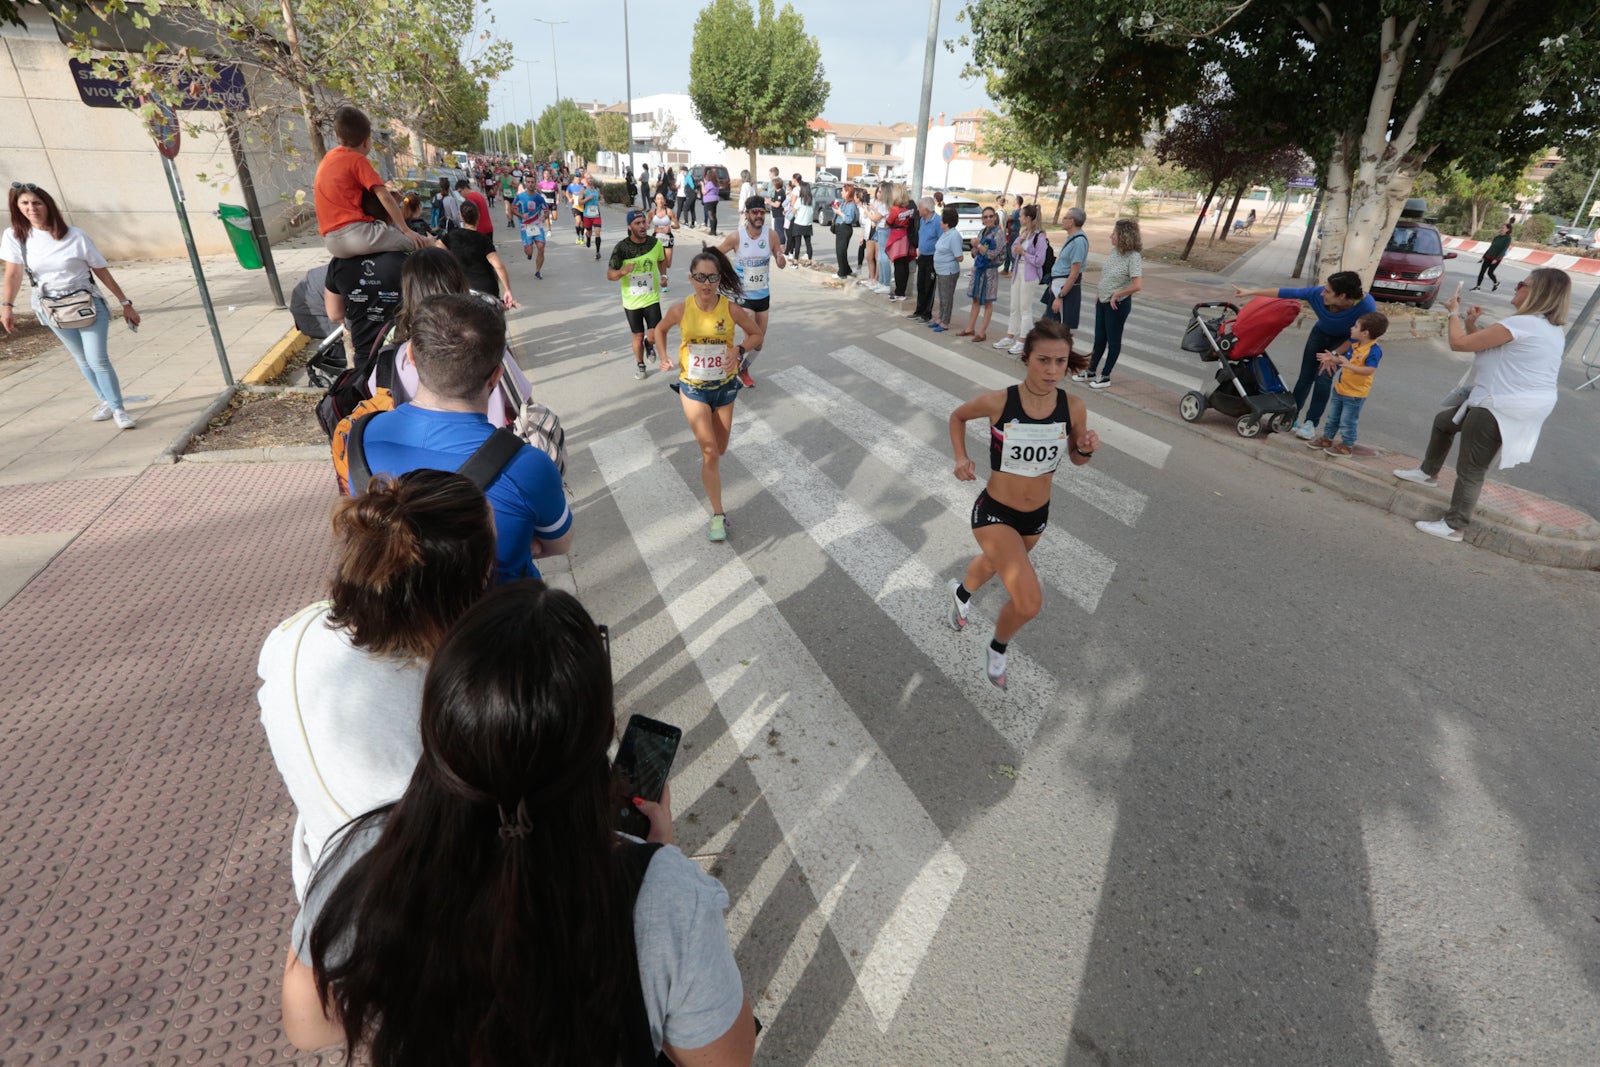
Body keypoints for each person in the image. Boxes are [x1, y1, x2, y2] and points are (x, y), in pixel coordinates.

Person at [280, 579, 757, 1066]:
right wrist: (653, 860)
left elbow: (306, 1025)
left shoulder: (369, 850)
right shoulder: (668, 899)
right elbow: (726, 1061)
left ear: (438, 725)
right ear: (600, 737)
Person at [258, 469, 495, 903]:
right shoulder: (447, 694)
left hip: (323, 884)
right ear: (462, 589)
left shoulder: (292, 634)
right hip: (415, 908)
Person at [355, 293, 570, 581]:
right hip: (503, 607)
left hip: (396, 607)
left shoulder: (361, 436)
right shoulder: (527, 464)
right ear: (496, 376)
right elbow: (558, 544)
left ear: (411, 357)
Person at [946, 320, 1099, 691]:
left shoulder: (1073, 407)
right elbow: (958, 416)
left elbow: (1077, 459)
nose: (1052, 370)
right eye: (1043, 360)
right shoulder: (1000, 401)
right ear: (1026, 358)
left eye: (1060, 362)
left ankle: (961, 595)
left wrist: (1085, 449)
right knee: (1029, 603)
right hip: (995, 511)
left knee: (992, 564)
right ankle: (997, 648)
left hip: (1035, 517)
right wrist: (961, 458)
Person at [1394, 268, 1569, 543]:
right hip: (1513, 402)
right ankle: (1427, 472)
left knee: (1472, 468)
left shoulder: (1523, 324)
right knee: (1444, 423)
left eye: (1522, 284)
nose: (1516, 287)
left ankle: (1455, 525)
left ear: (1538, 292)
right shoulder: (1548, 328)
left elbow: (1458, 344)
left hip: (1499, 405)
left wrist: (1453, 313)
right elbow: (1485, 348)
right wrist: (1471, 323)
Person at [1, 181, 141, 428]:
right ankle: (106, 401)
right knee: (82, 359)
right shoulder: (15, 237)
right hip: (50, 307)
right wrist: (7, 306)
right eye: (25, 203)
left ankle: (119, 409)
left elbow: (101, 270)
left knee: (97, 359)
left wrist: (124, 302)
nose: (31, 208)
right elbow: (13, 274)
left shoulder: (75, 235)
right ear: (17, 206)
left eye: (37, 203)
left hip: (86, 302)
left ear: (48, 205)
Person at [649, 247, 764, 542]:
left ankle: (711, 467)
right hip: (693, 388)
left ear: (719, 279)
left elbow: (756, 334)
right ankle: (718, 515)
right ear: (691, 279)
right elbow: (659, 330)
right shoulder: (681, 309)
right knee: (710, 452)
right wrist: (663, 356)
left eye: (712, 277)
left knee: (720, 448)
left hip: (724, 388)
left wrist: (738, 349)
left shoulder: (731, 309)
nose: (706, 283)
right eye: (700, 277)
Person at [364, 248, 532, 428]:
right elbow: (524, 406)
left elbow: (378, 401)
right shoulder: (488, 344)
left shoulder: (394, 357)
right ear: (460, 284)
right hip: (491, 443)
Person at [1232, 271, 1377, 439]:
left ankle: (1310, 424)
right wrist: (1250, 292)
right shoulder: (1316, 294)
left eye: (1328, 291)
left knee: (1323, 378)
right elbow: (1285, 292)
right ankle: (1290, 417)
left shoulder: (1366, 306)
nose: (1322, 293)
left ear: (1342, 296)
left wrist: (1334, 355)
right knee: (1305, 377)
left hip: (1343, 342)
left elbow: (1358, 338)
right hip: (1319, 334)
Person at [313, 106, 428, 258]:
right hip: (356, 235)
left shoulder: (328, 159)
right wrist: (405, 229)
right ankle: (437, 246)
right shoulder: (357, 160)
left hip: (331, 242)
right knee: (416, 242)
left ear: (337, 136)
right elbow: (385, 197)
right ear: (367, 142)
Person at [716, 196, 785, 387]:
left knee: (758, 341)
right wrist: (721, 275)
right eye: (755, 212)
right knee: (750, 337)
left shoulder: (771, 235)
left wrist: (781, 259)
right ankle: (731, 364)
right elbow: (715, 254)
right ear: (747, 214)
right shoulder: (736, 237)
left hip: (763, 295)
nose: (759, 216)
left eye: (762, 212)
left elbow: (780, 259)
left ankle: (742, 367)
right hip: (743, 297)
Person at [1305, 311, 1388, 456]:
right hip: (1340, 389)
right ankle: (1327, 439)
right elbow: (1346, 362)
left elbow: (1369, 370)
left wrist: (1348, 365)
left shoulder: (1373, 351)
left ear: (1365, 333)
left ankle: (1347, 445)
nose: (1352, 328)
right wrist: (1334, 359)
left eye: (1355, 326)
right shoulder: (1355, 345)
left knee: (1348, 421)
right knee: (1333, 417)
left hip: (1355, 393)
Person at [1076, 219, 1145, 389]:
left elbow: (1137, 285)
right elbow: (1107, 276)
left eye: (1114, 233)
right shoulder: (1114, 251)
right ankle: (1091, 370)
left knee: (1113, 341)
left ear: (1124, 236)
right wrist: (1100, 293)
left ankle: (1105, 376)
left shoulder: (1134, 257)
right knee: (1099, 338)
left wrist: (1117, 294)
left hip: (1117, 305)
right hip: (1102, 300)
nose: (1110, 236)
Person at [607, 210, 669, 381]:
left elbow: (661, 260)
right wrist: (622, 272)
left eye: (643, 222)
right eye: (637, 223)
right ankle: (640, 364)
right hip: (632, 301)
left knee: (654, 335)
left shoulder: (655, 244)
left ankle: (649, 345)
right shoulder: (621, 248)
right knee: (638, 335)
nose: (642, 226)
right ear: (630, 227)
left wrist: (664, 275)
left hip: (651, 297)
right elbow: (610, 275)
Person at [325, 250, 407, 369]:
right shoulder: (405, 260)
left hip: (364, 353)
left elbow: (335, 314)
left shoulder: (339, 263)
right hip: (402, 351)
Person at [442, 201, 518, 309]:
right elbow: (498, 266)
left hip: (462, 289)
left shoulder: (452, 236)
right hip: (486, 289)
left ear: (462, 217)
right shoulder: (483, 239)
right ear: (478, 216)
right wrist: (508, 289)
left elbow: (436, 249)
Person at [996, 204, 1047, 355]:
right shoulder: (1025, 233)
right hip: (1018, 271)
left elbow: (1040, 260)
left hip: (1030, 274)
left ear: (1028, 218)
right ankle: (1010, 336)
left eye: (1021, 216)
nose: (1019, 218)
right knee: (1014, 306)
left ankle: (1023, 340)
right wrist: (1020, 241)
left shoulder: (1040, 236)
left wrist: (1024, 253)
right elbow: (1013, 250)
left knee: (1025, 308)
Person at [959, 205, 1003, 341]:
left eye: (991, 216)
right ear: (982, 219)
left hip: (989, 271)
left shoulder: (998, 233)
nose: (988, 219)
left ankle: (982, 332)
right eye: (985, 217)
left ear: (995, 217)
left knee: (988, 302)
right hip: (978, 270)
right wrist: (975, 248)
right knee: (975, 299)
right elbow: (974, 253)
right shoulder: (982, 232)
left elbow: (992, 254)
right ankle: (970, 328)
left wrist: (978, 245)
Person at [1045, 206, 1089, 339]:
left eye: (1065, 218)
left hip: (1063, 288)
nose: (1062, 220)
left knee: (1058, 331)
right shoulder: (1072, 238)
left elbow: (1074, 273)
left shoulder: (1079, 242)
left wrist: (1060, 296)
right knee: (1049, 328)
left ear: (1072, 221)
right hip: (1057, 285)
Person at [931, 205, 965, 333]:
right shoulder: (946, 233)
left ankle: (945, 322)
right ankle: (940, 318)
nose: (940, 222)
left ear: (947, 223)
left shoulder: (954, 236)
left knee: (947, 297)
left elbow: (959, 257)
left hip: (948, 271)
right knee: (942, 296)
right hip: (941, 271)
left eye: (942, 220)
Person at [908, 196, 940, 321]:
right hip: (922, 256)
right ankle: (919, 311)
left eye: (920, 207)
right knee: (920, 285)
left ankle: (926, 314)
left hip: (932, 258)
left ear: (926, 209)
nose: (918, 209)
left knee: (929, 286)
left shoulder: (938, 221)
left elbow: (941, 240)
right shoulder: (922, 220)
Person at [512, 180, 548, 278]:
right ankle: (529, 253)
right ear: (526, 183)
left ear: (535, 183)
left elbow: (546, 211)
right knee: (529, 251)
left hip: (537, 225)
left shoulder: (539, 198)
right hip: (525, 226)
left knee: (541, 247)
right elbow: (513, 208)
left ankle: (537, 271)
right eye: (528, 182)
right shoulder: (520, 197)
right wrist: (521, 215)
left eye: (532, 182)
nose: (530, 184)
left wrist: (544, 217)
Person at [648, 193, 678, 288]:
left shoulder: (669, 212)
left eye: (661, 199)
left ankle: (663, 275)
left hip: (667, 237)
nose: (660, 201)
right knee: (660, 259)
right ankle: (663, 277)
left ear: (664, 201)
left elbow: (677, 225)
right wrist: (646, 227)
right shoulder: (652, 212)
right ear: (655, 201)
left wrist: (671, 226)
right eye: (658, 199)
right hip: (656, 238)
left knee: (668, 263)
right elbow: (646, 224)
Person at [832, 182, 859, 280]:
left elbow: (849, 219)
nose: (841, 193)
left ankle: (841, 273)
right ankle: (846, 270)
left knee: (841, 251)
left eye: (843, 191)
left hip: (845, 228)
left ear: (848, 192)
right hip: (840, 228)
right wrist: (837, 209)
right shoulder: (844, 202)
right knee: (841, 251)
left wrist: (840, 213)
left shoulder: (851, 204)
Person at [1474, 222, 1513, 291]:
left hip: (1496, 258)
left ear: (1508, 229)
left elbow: (1504, 250)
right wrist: (1483, 257)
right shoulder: (1497, 237)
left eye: (1503, 228)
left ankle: (1496, 283)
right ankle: (1478, 286)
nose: (1502, 229)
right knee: (1482, 271)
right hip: (1488, 256)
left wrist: (1496, 259)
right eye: (1502, 227)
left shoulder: (1508, 238)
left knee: (1490, 273)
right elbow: (1491, 248)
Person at [787, 182, 815, 262]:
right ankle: (810, 261)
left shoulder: (800, 200)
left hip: (798, 224)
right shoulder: (812, 200)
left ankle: (795, 261)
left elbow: (793, 211)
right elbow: (813, 209)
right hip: (808, 224)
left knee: (797, 243)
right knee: (808, 243)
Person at [580, 175, 604, 258]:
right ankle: (588, 238)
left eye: (591, 178)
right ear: (586, 180)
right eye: (588, 179)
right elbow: (579, 202)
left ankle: (598, 252)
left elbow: (601, 197)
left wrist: (601, 201)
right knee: (589, 232)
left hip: (596, 214)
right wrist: (587, 199)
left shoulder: (597, 189)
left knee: (597, 232)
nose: (590, 180)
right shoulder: (584, 190)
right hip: (587, 215)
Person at [1000, 194, 1023, 276]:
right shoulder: (1014, 211)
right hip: (1010, 233)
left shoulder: (1017, 212)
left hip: (1013, 234)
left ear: (1017, 202)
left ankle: (1013, 270)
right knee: (1007, 251)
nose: (1012, 201)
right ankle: (1006, 269)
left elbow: (1008, 218)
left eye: (1014, 200)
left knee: (1011, 251)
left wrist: (1001, 211)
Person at [566, 172, 585, 243]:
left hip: (583, 207)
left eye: (579, 177)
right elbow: (567, 192)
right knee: (578, 221)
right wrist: (569, 198)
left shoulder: (584, 186)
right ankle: (578, 236)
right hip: (575, 206)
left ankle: (582, 236)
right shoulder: (571, 186)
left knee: (582, 223)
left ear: (581, 178)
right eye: (577, 177)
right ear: (574, 178)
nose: (578, 179)